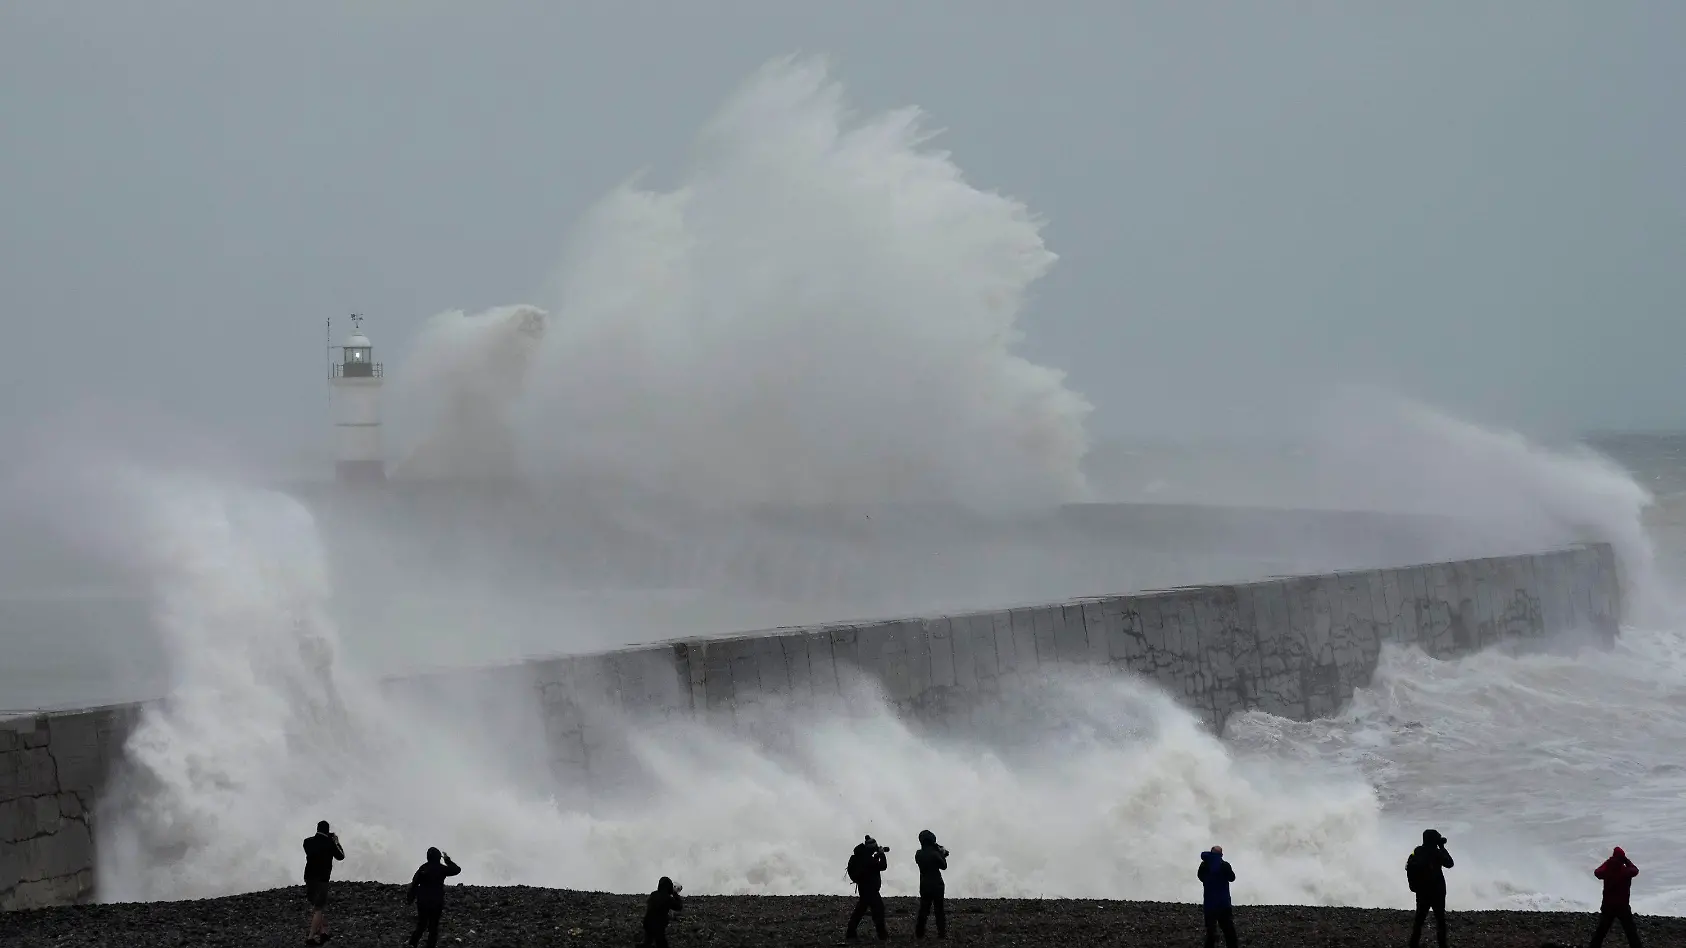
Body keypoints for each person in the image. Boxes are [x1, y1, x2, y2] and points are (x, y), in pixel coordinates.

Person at [405, 847, 463, 948]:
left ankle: (412, 944)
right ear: (438, 857)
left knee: (421, 925)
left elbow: (414, 883)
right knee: (433, 927)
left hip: (422, 901)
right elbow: (457, 870)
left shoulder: (423, 868)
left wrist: (410, 898)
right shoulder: (441, 868)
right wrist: (448, 860)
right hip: (436, 901)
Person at [1406, 829, 1454, 948]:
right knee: (1440, 920)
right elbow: (1450, 863)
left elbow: (1409, 865)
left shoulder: (1417, 851)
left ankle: (1413, 944)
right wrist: (1442, 847)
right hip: (1437, 891)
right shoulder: (1437, 853)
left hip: (1421, 891)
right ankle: (1442, 945)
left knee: (1419, 920)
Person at [302, 820, 345, 946]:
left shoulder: (307, 842)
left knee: (316, 905)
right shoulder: (330, 844)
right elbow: (341, 856)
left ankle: (324, 932)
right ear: (327, 831)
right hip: (322, 880)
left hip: (309, 878)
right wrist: (336, 841)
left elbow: (311, 851)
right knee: (319, 908)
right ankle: (311, 938)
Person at [1589, 846, 1643, 947]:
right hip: (1622, 906)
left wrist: (1607, 862)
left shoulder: (1607, 870)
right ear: (1622, 858)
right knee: (1630, 932)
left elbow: (1597, 872)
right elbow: (1635, 870)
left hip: (1608, 905)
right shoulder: (1625, 871)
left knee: (1601, 931)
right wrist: (1627, 861)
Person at [845, 835, 890, 941]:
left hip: (863, 888)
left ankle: (850, 933)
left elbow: (870, 866)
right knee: (878, 910)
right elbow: (882, 866)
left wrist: (877, 855)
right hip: (870, 890)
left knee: (860, 911)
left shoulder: (862, 856)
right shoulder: (868, 859)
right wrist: (882, 854)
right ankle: (882, 935)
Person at [1197, 845, 1237, 948]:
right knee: (1229, 931)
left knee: (1211, 932)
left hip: (1210, 904)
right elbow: (1232, 878)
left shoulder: (1204, 865)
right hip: (1223, 903)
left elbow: (1200, 877)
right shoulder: (1224, 865)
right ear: (1221, 855)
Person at [914, 830, 948, 939]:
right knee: (939, 911)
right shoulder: (935, 853)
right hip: (937, 886)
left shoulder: (918, 854)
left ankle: (919, 933)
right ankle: (941, 934)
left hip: (924, 885)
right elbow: (943, 866)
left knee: (923, 911)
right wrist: (942, 854)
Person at [638, 876, 684, 948]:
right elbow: (679, 906)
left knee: (648, 940)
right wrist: (675, 894)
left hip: (647, 922)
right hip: (658, 926)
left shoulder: (653, 894)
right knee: (661, 943)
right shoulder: (668, 898)